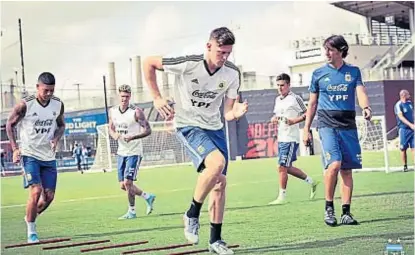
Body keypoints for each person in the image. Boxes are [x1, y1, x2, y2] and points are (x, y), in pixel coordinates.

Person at [143, 27, 248, 254]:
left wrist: (236, 112)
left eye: (228, 53)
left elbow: (227, 112)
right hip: (188, 125)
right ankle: (191, 213)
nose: (224, 57)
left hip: (215, 129)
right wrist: (157, 98)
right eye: (221, 52)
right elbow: (148, 62)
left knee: (220, 183)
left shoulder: (232, 73)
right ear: (208, 46)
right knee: (216, 164)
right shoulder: (189, 63)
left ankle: (215, 241)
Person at [302, 35, 372, 227]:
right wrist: (306, 128)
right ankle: (329, 208)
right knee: (334, 165)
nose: (327, 53)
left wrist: (366, 107)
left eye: (331, 49)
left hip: (348, 125)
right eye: (325, 49)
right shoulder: (318, 74)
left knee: (347, 171)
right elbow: (312, 103)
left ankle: (346, 213)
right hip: (327, 124)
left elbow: (361, 92)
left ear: (341, 50)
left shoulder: (354, 71)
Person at [5, 72, 65, 243]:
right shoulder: (25, 105)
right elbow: (9, 124)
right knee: (36, 191)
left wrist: (55, 138)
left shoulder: (58, 105)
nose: (48, 94)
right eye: (45, 90)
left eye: (52, 91)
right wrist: (16, 149)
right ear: (37, 87)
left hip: (48, 156)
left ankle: (29, 217)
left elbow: (61, 125)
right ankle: (31, 231)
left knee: (49, 197)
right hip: (29, 154)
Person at [268, 73, 319, 205]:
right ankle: (312, 182)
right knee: (287, 167)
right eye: (278, 85)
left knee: (281, 166)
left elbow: (307, 113)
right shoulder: (278, 100)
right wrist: (274, 119)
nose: (280, 88)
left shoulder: (295, 99)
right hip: (281, 137)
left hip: (291, 138)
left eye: (282, 85)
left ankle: (282, 197)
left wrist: (294, 121)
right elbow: (277, 115)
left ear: (289, 85)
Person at [108, 84, 156, 219]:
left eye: (127, 96)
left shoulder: (136, 112)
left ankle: (132, 211)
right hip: (121, 152)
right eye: (122, 96)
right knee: (123, 185)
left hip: (134, 151)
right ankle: (147, 196)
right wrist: (115, 135)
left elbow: (148, 130)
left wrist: (133, 137)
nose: (124, 99)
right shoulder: (113, 111)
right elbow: (111, 128)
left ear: (130, 96)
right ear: (119, 96)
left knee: (128, 183)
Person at [394, 90, 414, 172]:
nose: (409, 95)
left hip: (412, 129)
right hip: (404, 129)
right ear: (403, 95)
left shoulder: (410, 103)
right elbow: (401, 117)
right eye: (408, 94)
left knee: (414, 147)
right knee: (403, 148)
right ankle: (405, 166)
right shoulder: (399, 105)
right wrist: (410, 124)